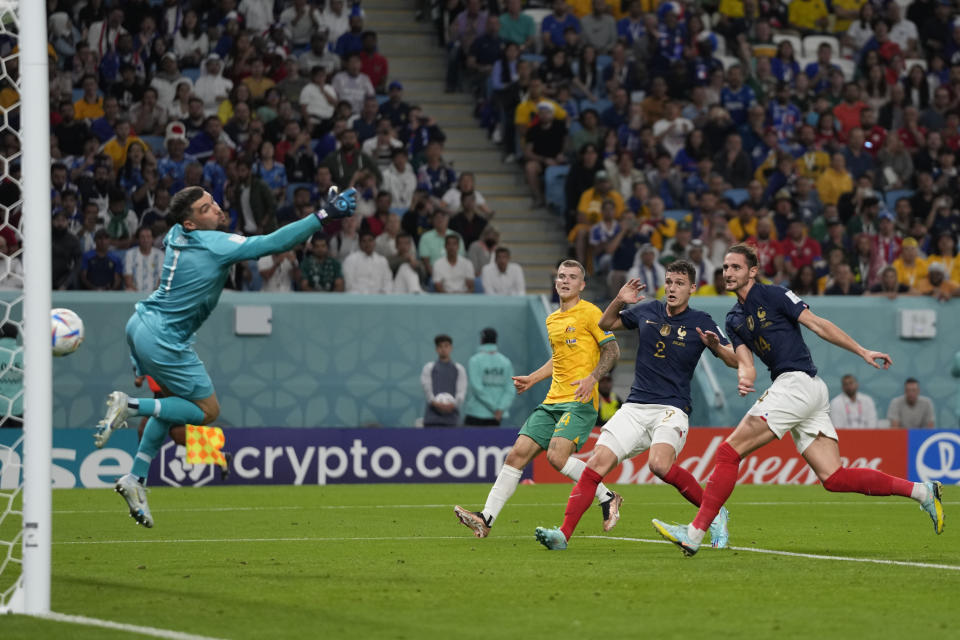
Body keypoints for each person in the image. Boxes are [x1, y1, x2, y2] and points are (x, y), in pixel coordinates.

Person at [651, 244, 944, 557]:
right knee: (834, 477)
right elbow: (743, 362)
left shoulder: (774, 295)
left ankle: (695, 533)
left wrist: (862, 351)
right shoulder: (735, 318)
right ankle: (922, 491)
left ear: (752, 270)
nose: (728, 273)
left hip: (798, 384)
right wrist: (731, 362)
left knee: (727, 452)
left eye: (736, 267)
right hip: (801, 389)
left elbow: (818, 324)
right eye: (725, 267)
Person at [92, 186, 357, 527]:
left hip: (140, 325)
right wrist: (323, 216)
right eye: (206, 208)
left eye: (213, 201)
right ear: (190, 223)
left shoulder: (176, 234)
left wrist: (137, 361)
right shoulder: (213, 243)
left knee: (171, 412)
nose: (216, 209)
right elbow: (272, 244)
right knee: (207, 411)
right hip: (166, 341)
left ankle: (135, 479)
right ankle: (131, 406)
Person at [534, 260, 740, 551]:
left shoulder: (702, 320)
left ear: (692, 288)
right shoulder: (648, 310)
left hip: (672, 409)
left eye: (679, 283)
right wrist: (619, 300)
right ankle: (563, 535)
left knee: (659, 464)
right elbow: (605, 324)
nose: (672, 288)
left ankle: (715, 511)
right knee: (595, 467)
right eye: (668, 282)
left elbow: (734, 360)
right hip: (634, 407)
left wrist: (716, 346)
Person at [454, 260, 622, 538]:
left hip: (580, 400)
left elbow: (613, 351)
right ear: (555, 282)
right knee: (516, 454)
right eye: (561, 276)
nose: (565, 281)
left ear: (582, 285)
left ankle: (606, 496)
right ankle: (486, 519)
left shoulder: (591, 313)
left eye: (572, 277)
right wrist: (533, 378)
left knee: (557, 457)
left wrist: (593, 378)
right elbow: (558, 360)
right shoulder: (552, 319)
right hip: (553, 400)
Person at [463, 328, 515, 426]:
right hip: (498, 416)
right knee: (495, 441)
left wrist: (494, 408)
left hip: (476, 412)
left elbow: (477, 388)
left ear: (481, 340)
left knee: (470, 441)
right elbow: (510, 389)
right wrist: (500, 409)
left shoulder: (475, 360)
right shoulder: (506, 362)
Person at [421, 334, 468, 427]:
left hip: (453, 419)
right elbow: (427, 389)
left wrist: (453, 404)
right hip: (432, 419)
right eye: (440, 346)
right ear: (436, 349)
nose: (443, 349)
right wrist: (435, 403)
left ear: (451, 348)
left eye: (446, 346)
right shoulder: (429, 368)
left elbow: (461, 391)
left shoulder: (459, 369)